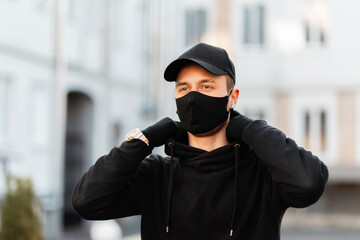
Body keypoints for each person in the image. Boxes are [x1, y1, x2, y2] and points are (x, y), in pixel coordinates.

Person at [72, 43, 329, 240]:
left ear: (232, 97)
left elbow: (308, 182)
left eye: (206, 87)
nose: (193, 97)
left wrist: (250, 128)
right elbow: (87, 201)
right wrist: (146, 139)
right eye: (184, 88)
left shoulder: (261, 174)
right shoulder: (156, 175)